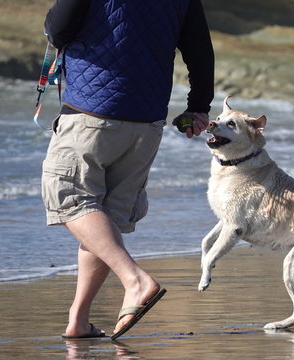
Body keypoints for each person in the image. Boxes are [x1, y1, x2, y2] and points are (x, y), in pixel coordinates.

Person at [41, 0, 214, 339]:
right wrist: (198, 107)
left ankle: (135, 281)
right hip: (147, 122)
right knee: (106, 218)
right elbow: (200, 50)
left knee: (67, 196)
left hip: (92, 114)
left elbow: (59, 29)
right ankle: (78, 319)